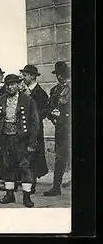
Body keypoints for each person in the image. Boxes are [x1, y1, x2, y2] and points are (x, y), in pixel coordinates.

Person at [0, 74, 39, 208]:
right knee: (8, 167)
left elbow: (35, 123)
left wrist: (31, 143)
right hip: (6, 138)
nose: (10, 87)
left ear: (18, 85)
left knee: (25, 167)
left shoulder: (27, 100)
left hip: (22, 139)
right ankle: (9, 194)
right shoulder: (0, 100)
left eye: (13, 84)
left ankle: (26, 196)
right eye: (8, 84)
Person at [20, 64, 49, 194]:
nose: (23, 77)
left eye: (25, 75)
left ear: (33, 76)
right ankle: (24, 181)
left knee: (34, 155)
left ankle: (32, 184)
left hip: (35, 130)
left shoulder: (40, 93)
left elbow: (44, 112)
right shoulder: (21, 92)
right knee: (24, 155)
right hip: (23, 129)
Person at [44, 61, 71, 197]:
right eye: (58, 74)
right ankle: (56, 186)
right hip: (61, 129)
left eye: (62, 74)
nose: (60, 77)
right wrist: (54, 118)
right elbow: (50, 108)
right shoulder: (54, 90)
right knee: (60, 157)